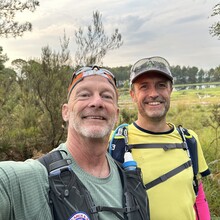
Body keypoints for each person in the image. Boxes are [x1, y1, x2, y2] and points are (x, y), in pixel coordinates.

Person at [0, 66, 149, 220]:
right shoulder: (35, 178)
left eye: (106, 96)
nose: (97, 102)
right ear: (66, 112)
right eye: (84, 95)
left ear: (116, 114)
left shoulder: (131, 180)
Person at [109, 56, 211, 220]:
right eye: (144, 87)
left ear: (170, 90)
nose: (154, 94)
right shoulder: (116, 143)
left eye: (161, 85)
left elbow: (198, 196)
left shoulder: (189, 139)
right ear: (133, 95)